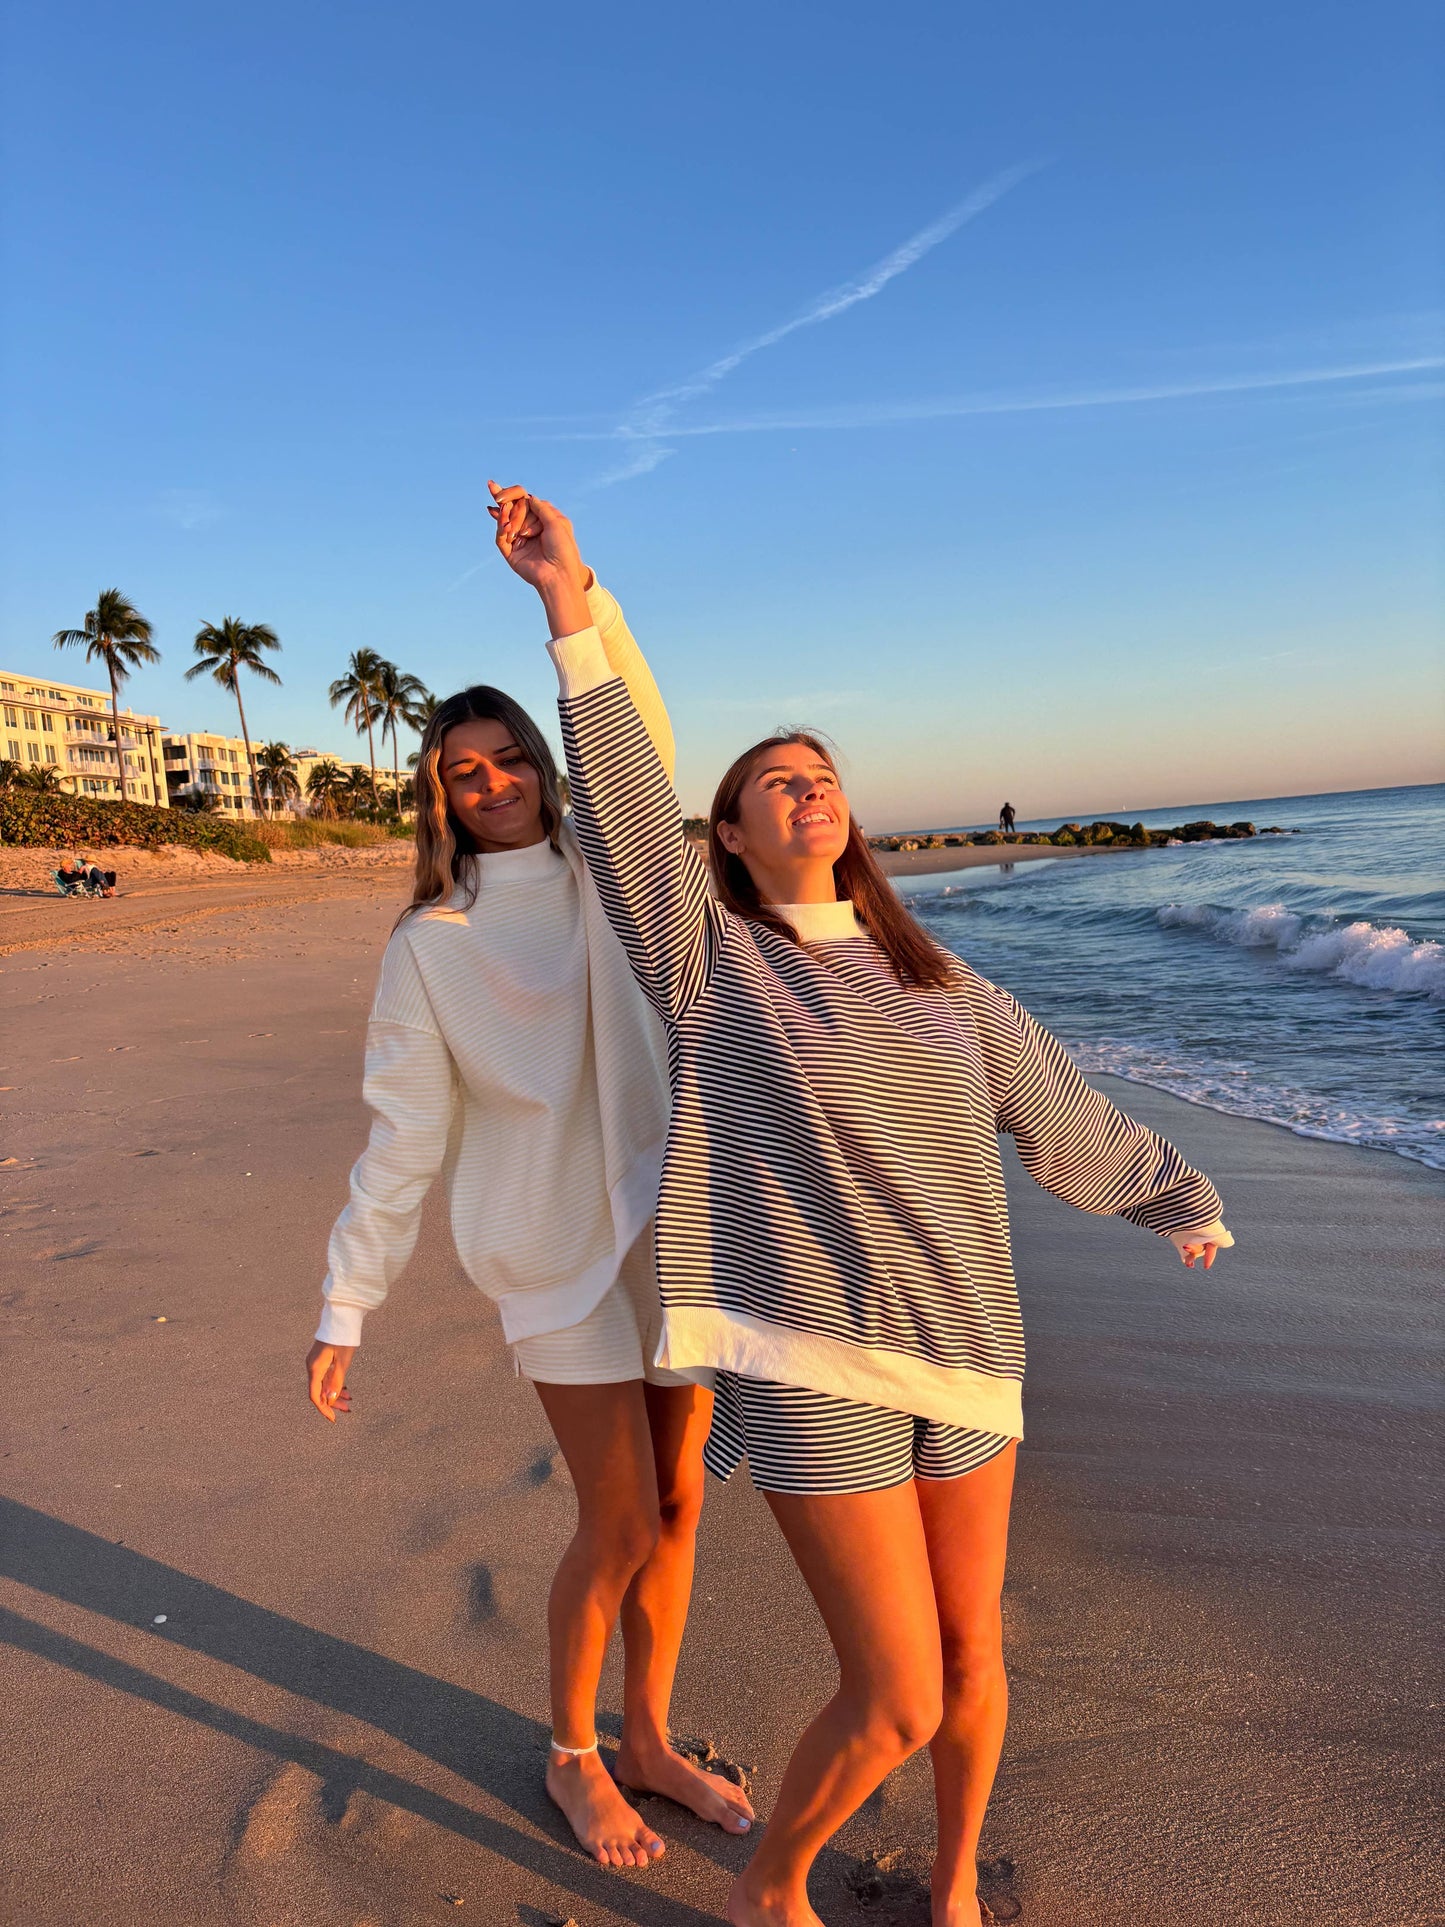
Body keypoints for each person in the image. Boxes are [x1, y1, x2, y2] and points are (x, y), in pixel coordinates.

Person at [492, 489, 1234, 1927]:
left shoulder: (946, 987)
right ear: (725, 836)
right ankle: (776, 1890)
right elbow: (629, 801)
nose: (803, 788)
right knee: (892, 1691)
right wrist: (566, 603)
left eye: (819, 772)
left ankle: (954, 1888)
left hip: (969, 1353)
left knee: (971, 1658)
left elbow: (1061, 1115)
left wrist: (1171, 1200)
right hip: (807, 1356)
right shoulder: (706, 958)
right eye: (771, 781)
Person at [303, 515, 754, 1869]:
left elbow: (645, 738)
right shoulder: (429, 946)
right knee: (614, 1519)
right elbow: (402, 1132)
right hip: (549, 1247)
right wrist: (347, 1299)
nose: (489, 782)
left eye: (508, 759)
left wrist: (571, 596)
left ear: (548, 768)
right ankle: (571, 1754)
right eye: (460, 771)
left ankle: (649, 1736)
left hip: (673, 1229)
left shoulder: (621, 872)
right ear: (433, 795)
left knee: (679, 1509)